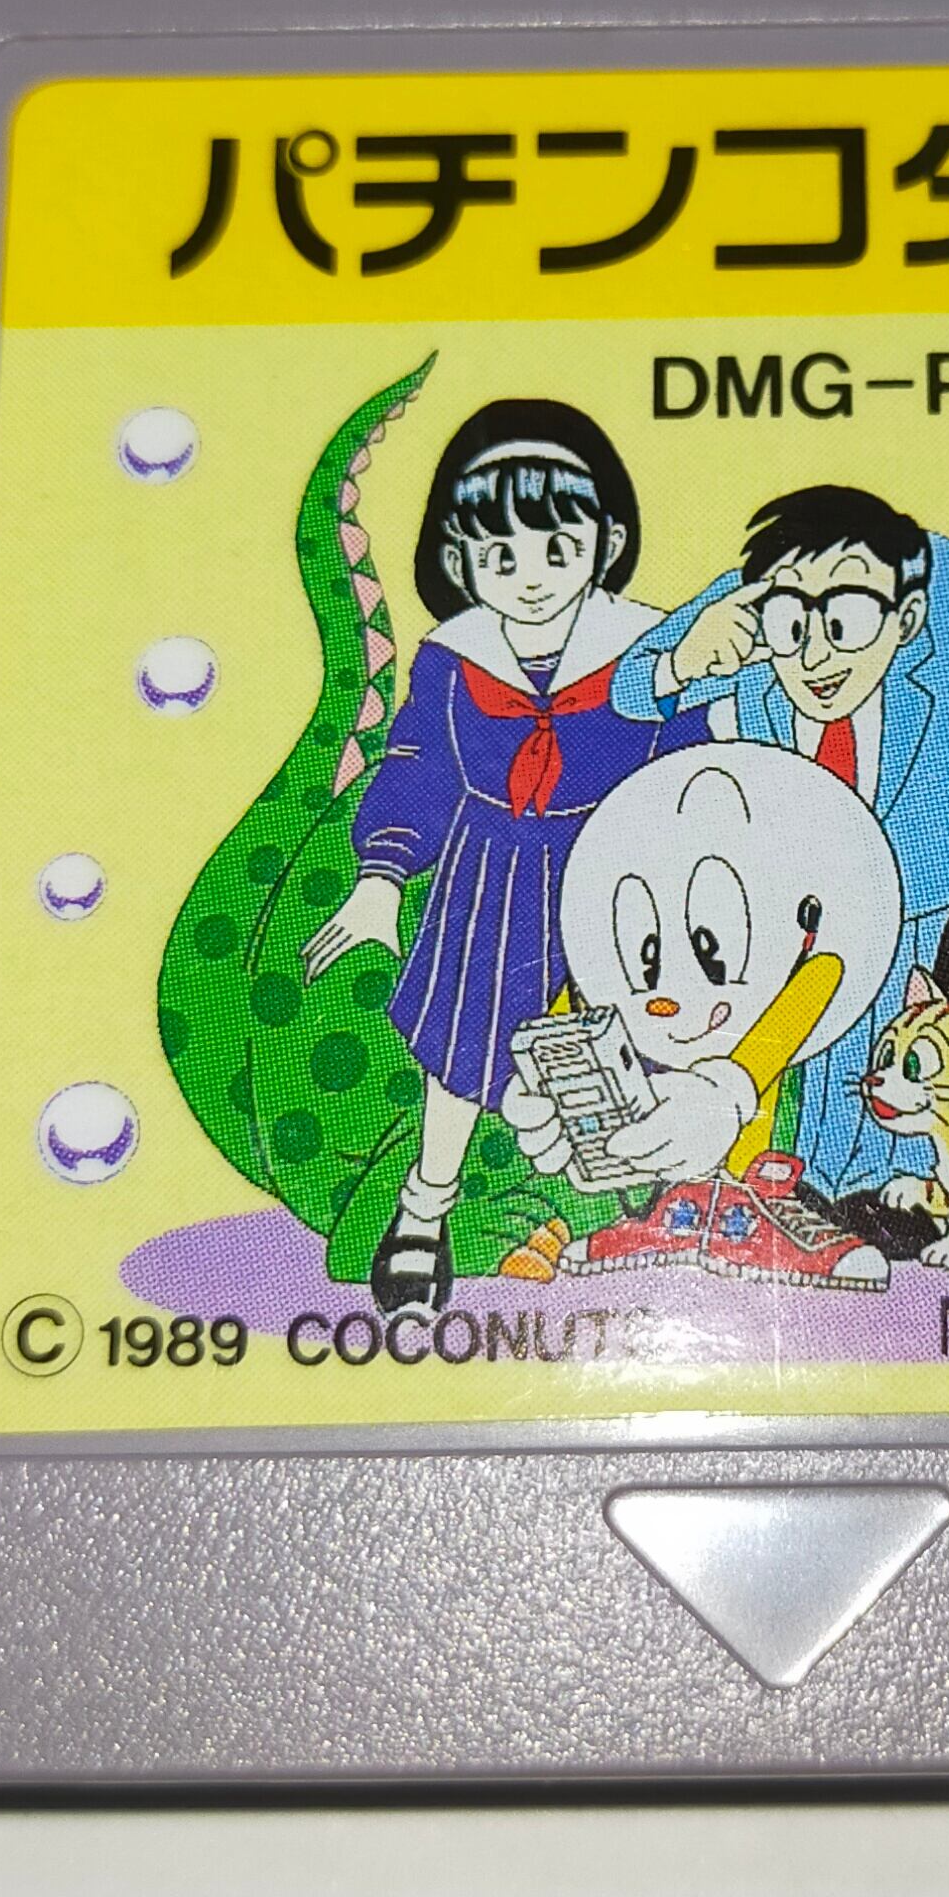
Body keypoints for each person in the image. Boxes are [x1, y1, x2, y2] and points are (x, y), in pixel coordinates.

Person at [610, 481, 949, 1214]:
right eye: (792, 628)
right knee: (819, 1058)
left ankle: (915, 1200)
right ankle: (815, 1194)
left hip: (925, 888)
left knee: (919, 1058)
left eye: (846, 622)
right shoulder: (760, 594)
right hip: (805, 895)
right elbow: (631, 689)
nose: (815, 655)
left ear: (906, 617)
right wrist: (682, 662)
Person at [303, 398, 700, 1314]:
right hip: (488, 886)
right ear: (460, 561)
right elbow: (417, 767)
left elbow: (691, 771)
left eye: (558, 548)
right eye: (501, 555)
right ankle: (426, 1204)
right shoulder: (454, 659)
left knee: (626, 1049)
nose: (530, 577)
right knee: (461, 1052)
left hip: (616, 884)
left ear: (606, 543)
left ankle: (636, 1207)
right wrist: (380, 878)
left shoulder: (652, 652)